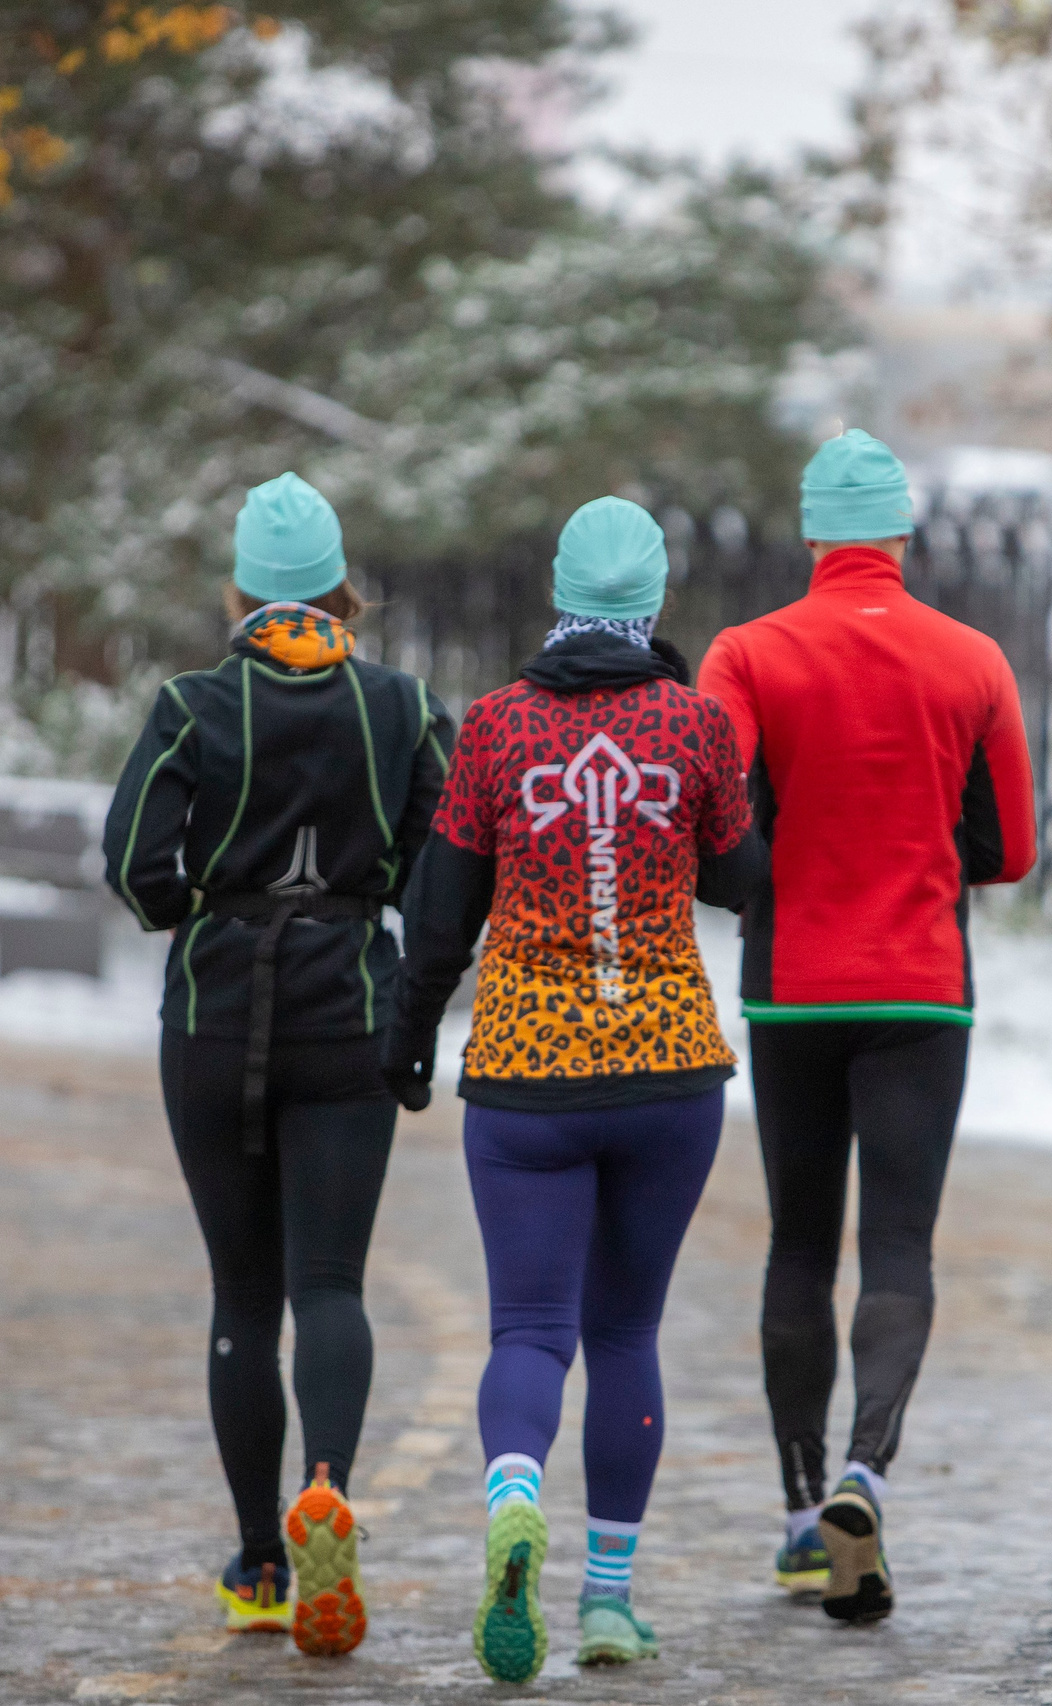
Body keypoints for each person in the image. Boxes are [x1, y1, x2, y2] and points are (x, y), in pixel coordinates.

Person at [382, 497, 767, 1681]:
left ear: (559, 595)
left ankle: (511, 1498)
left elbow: (437, 916)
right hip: (666, 1071)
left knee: (531, 1329)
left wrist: (405, 1041)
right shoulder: (696, 726)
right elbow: (743, 880)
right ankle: (607, 1597)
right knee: (626, 1328)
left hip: (524, 1078)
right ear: (654, 605)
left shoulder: (492, 731)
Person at [102, 471, 452, 1655]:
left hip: (217, 1012)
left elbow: (136, 868)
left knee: (242, 1295)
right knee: (331, 1286)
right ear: (340, 588)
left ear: (242, 589)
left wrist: (205, 899)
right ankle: (330, 1483)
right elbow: (443, 862)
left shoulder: (192, 703)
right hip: (350, 1006)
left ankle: (259, 1556)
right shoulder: (400, 704)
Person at [697, 429, 1038, 1624]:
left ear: (810, 536)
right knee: (899, 1245)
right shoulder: (973, 659)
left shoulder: (745, 654)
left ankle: (800, 1518)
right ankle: (864, 1470)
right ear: (900, 534)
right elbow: (1010, 849)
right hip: (919, 986)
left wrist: (772, 874)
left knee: (798, 1243)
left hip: (793, 988)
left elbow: (715, 820)